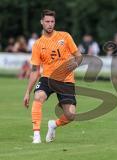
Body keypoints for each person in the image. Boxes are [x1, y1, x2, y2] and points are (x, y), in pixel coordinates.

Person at [23, 9, 83, 144]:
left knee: (70, 115)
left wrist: (74, 64)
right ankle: (36, 135)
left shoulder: (65, 37)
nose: (50, 24)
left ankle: (53, 125)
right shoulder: (38, 44)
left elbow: (79, 56)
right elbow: (34, 70)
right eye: (47, 21)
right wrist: (27, 92)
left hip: (65, 80)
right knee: (38, 96)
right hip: (47, 78)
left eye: (52, 21)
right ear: (42, 22)